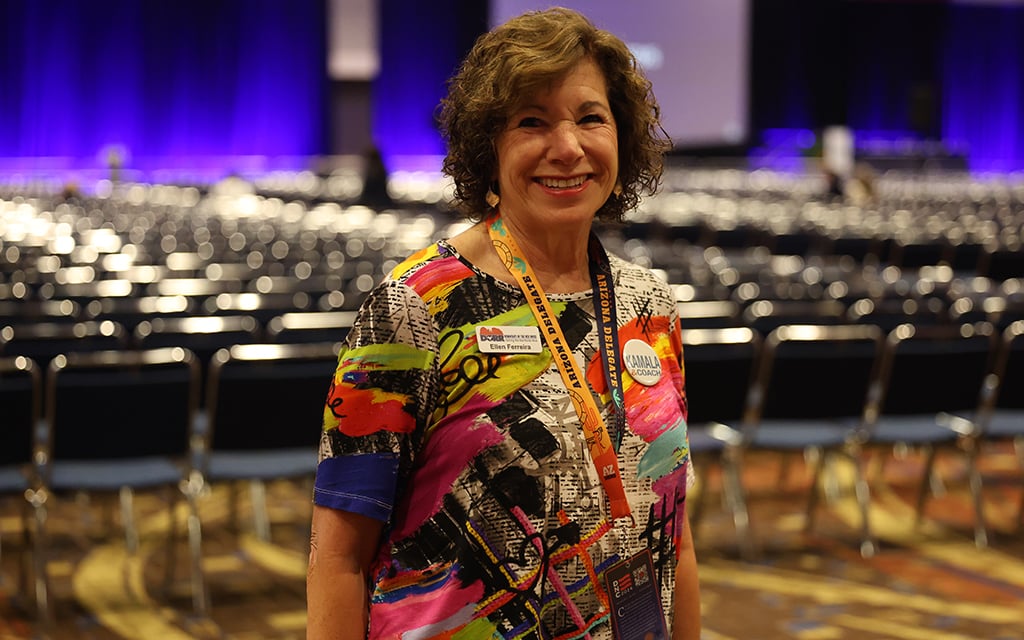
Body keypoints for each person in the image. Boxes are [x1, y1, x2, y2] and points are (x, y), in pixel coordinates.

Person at [307, 7, 701, 639]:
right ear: (487, 148)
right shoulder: (413, 308)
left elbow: (672, 538)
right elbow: (339, 556)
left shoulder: (649, 303)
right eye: (531, 122)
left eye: (590, 118)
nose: (568, 147)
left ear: (621, 136)